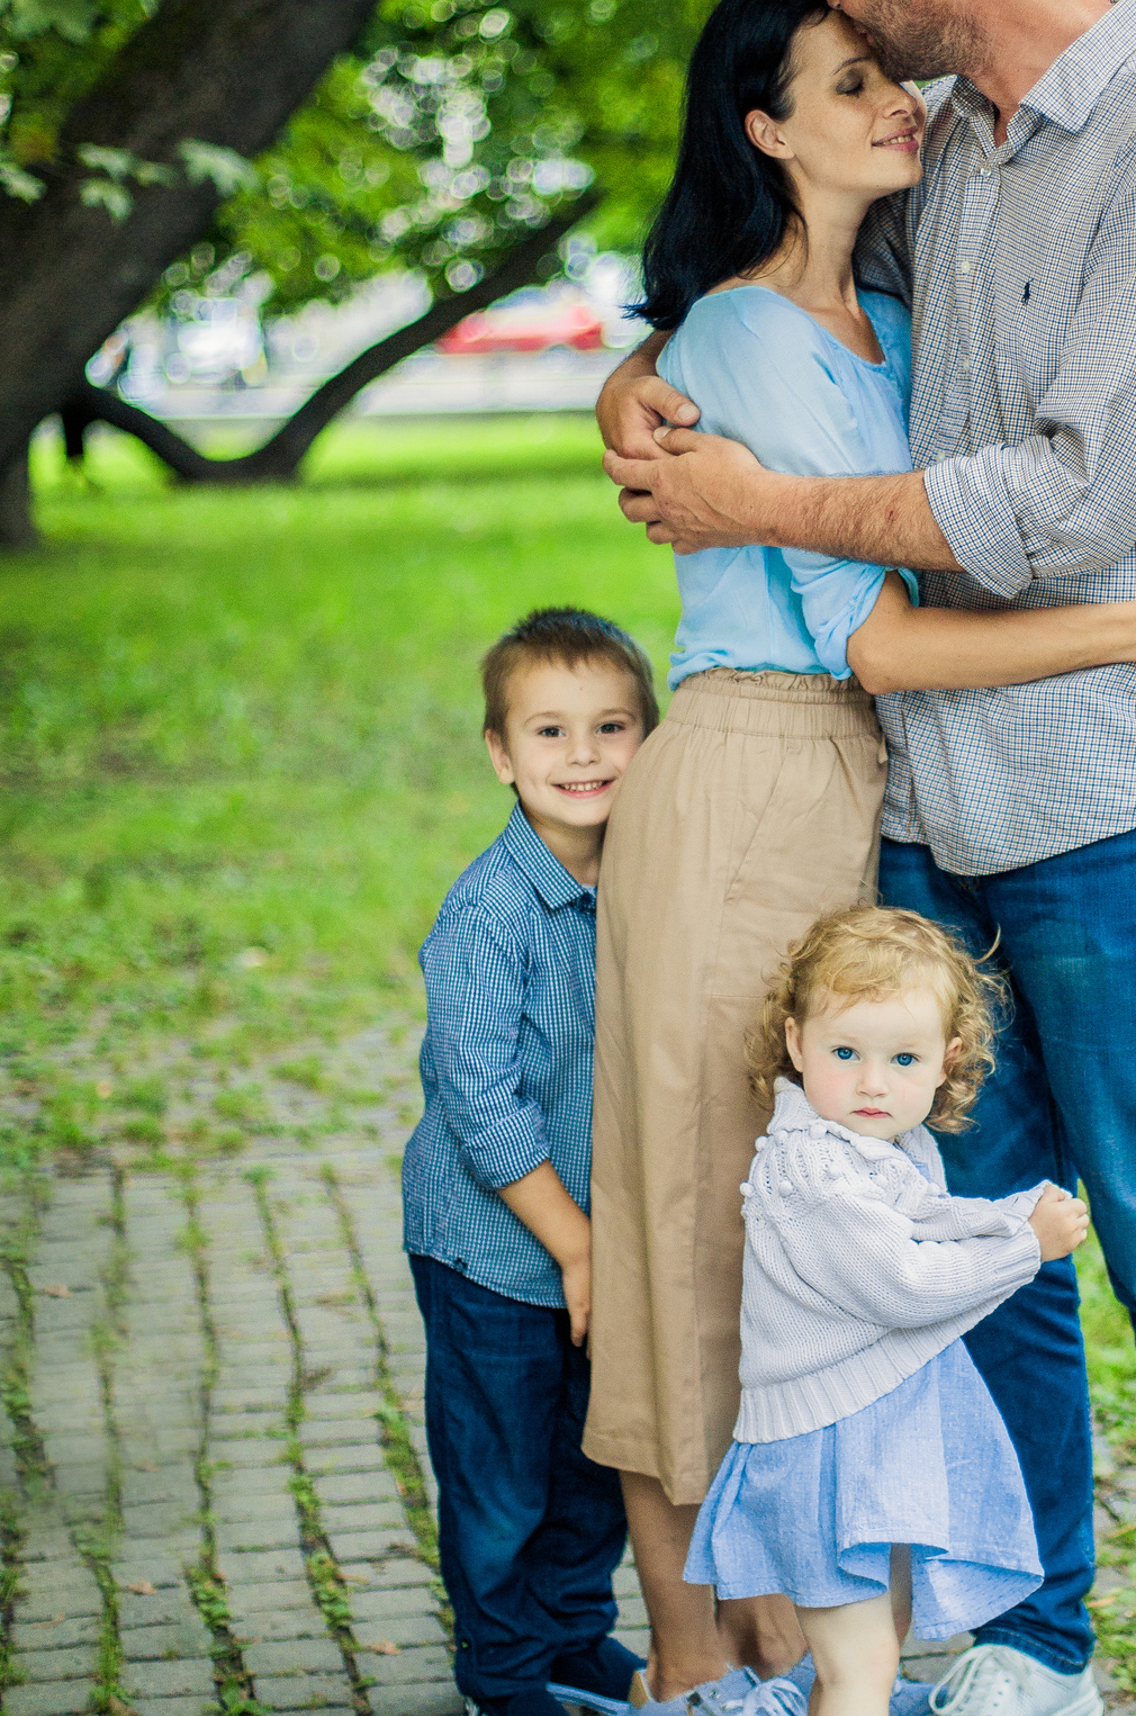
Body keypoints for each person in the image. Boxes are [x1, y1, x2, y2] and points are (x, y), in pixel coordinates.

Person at [594, 0, 1136, 1716]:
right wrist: (638, 386)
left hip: (1115, 794)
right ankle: (1039, 1641)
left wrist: (767, 498)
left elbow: (1073, 504)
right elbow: (760, 284)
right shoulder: (958, 143)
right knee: (970, 1243)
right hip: (928, 813)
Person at [686, 907, 1090, 1716]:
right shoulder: (812, 1169)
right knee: (858, 1669)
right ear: (798, 1047)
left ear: (946, 1063)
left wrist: (1011, 1218)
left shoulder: (878, 1149)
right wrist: (1024, 1249)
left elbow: (926, 1218)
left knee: (883, 1636)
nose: (874, 1082)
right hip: (827, 1452)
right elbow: (901, 1283)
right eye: (846, 1054)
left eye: (902, 1058)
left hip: (870, 1444)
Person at [401, 609, 661, 1716]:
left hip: (599, 1240)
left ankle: (568, 1633)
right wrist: (578, 1248)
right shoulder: (487, 913)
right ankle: (502, 1673)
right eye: (550, 733)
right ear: (501, 755)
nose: (585, 756)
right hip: (495, 1250)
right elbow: (481, 1103)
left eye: (611, 727)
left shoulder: (649, 887)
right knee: (501, 1474)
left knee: (592, 1457)